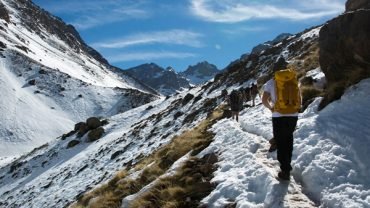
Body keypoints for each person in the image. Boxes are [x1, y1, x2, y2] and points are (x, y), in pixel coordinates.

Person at [261, 67, 301, 180]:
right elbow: (299, 97)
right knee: (289, 140)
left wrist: (271, 108)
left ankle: (285, 170)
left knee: (281, 142)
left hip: (279, 115)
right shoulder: (293, 80)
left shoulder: (271, 82)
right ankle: (287, 165)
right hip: (293, 115)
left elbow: (264, 99)